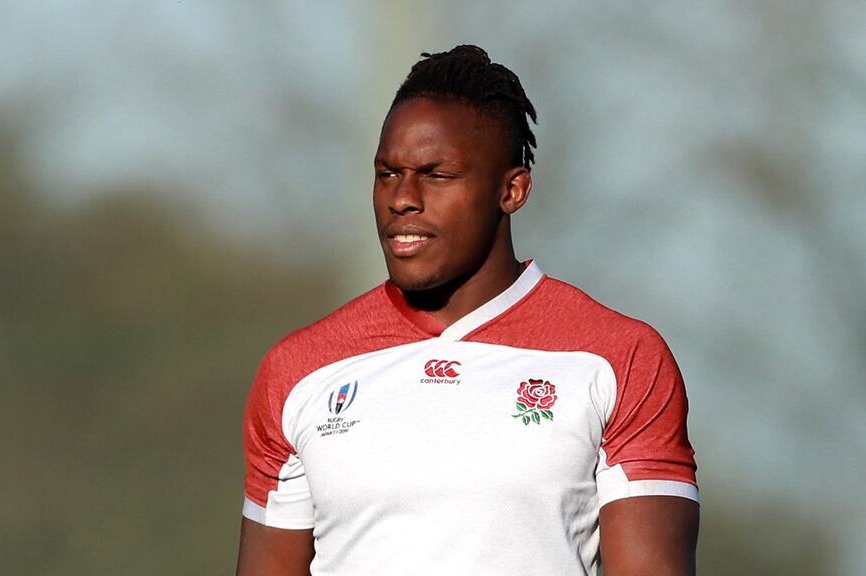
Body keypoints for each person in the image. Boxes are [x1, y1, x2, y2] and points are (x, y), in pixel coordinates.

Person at [236, 44, 699, 576]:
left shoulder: (619, 359)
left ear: (512, 189)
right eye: (387, 174)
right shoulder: (298, 371)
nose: (402, 198)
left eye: (436, 175)